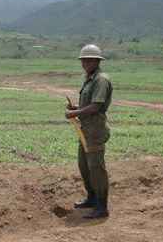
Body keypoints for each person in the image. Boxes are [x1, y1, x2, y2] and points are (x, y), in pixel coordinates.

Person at [65, 44, 113, 219]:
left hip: (95, 131)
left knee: (96, 168)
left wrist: (74, 113)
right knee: (84, 166)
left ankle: (102, 206)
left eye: (90, 60)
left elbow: (95, 107)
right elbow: (89, 104)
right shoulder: (90, 78)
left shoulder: (101, 80)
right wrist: (76, 107)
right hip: (85, 130)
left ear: (98, 61)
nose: (86, 63)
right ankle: (92, 198)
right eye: (84, 60)